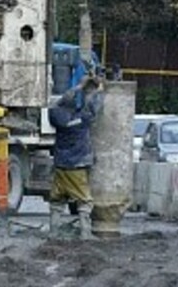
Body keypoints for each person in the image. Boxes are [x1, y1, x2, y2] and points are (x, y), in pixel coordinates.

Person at [48, 74, 104, 239]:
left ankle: (54, 231)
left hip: (60, 164)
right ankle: (85, 233)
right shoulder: (82, 118)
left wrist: (79, 87)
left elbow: (57, 103)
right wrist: (97, 91)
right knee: (84, 200)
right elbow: (94, 108)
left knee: (57, 200)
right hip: (77, 165)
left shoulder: (56, 116)